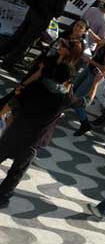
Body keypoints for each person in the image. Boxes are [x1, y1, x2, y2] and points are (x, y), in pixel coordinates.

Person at [0, 63, 74, 208]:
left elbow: (13, 103)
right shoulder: (63, 100)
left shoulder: (36, 87)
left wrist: (3, 116)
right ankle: (2, 197)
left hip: (14, 132)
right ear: (67, 80)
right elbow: (86, 101)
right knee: (16, 172)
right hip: (32, 142)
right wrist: (96, 83)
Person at [0, 0, 82, 69]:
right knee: (27, 41)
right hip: (42, 18)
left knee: (19, 34)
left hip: (32, 11)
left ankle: (3, 51)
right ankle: (9, 62)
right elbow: (58, 12)